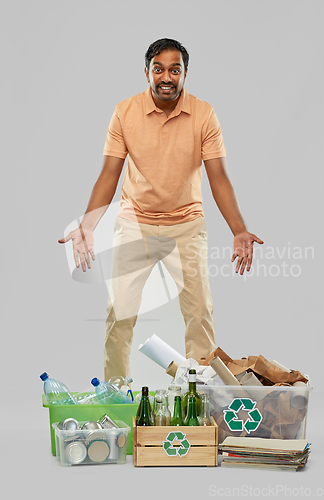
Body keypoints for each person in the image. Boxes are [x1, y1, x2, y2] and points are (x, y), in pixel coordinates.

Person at [58, 38, 263, 380]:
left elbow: (220, 179)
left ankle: (199, 397)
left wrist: (238, 229)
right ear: (147, 72)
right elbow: (110, 173)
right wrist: (88, 225)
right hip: (135, 223)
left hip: (187, 224)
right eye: (158, 69)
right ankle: (116, 394)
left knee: (199, 315)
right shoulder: (125, 111)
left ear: (184, 74)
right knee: (118, 315)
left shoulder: (204, 114)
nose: (166, 77)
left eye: (174, 70)